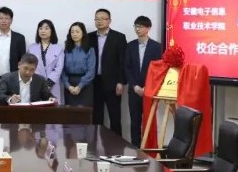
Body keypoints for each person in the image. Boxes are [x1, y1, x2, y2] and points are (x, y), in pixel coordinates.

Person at [125, 16, 163, 146]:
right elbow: (127, 67)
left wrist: (147, 87)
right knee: (134, 121)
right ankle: (135, 148)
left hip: (150, 90)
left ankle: (148, 148)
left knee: (149, 121)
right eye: (136, 26)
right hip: (134, 90)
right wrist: (134, 86)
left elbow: (159, 70)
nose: (137, 29)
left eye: (140, 26)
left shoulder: (157, 47)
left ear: (148, 28)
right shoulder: (130, 45)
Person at [90, 8, 127, 136]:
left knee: (115, 118)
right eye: (97, 19)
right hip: (94, 83)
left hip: (113, 83)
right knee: (96, 118)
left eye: (102, 19)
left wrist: (121, 82)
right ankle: (95, 145)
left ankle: (116, 146)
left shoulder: (119, 37)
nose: (99, 21)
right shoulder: (89, 37)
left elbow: (123, 61)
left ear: (109, 21)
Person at [0, 7, 26, 104]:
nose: (3, 21)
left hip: (13, 78)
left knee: (13, 105)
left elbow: (22, 60)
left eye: (6, 18)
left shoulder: (19, 38)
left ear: (11, 20)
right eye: (1, 18)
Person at [27, 19, 65, 103]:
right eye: (40, 28)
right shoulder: (31, 48)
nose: (43, 31)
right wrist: (39, 82)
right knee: (36, 107)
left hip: (52, 84)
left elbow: (59, 68)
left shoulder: (59, 48)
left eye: (46, 28)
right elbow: (28, 66)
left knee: (53, 107)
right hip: (35, 83)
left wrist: (48, 83)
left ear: (52, 31)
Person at [61, 22, 96, 107]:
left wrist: (80, 86)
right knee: (70, 111)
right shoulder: (66, 50)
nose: (74, 34)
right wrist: (68, 86)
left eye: (77, 31)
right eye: (72, 32)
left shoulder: (89, 50)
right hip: (69, 84)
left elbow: (91, 71)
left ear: (83, 33)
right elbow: (62, 70)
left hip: (85, 83)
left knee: (83, 112)